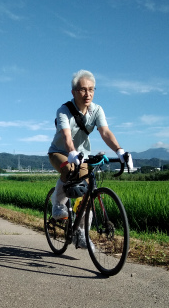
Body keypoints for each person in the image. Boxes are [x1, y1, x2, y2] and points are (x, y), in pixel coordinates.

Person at [48, 69, 133, 248]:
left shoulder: (97, 110)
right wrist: (71, 151)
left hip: (82, 154)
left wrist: (120, 151)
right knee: (69, 169)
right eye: (83, 89)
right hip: (60, 152)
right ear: (74, 92)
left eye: (92, 89)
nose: (88, 94)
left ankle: (81, 231)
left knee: (85, 193)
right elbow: (66, 136)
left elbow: (105, 132)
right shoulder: (64, 110)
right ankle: (57, 204)